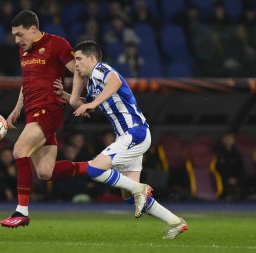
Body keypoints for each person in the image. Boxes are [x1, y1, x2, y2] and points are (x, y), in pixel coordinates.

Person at [55, 40, 188, 239]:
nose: (76, 64)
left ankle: (140, 189)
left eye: (79, 59)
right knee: (128, 197)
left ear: (92, 59)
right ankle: (175, 222)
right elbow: (80, 102)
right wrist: (65, 95)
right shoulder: (93, 82)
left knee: (95, 169)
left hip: (135, 133)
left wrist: (93, 105)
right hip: (131, 136)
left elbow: (115, 81)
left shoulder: (101, 69)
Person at [0, 10, 89, 228]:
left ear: (33, 29)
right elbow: (27, 82)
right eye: (14, 35)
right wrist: (16, 109)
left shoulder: (56, 44)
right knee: (45, 172)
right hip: (32, 110)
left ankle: (21, 211)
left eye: (19, 35)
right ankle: (96, 167)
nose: (16, 40)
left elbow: (79, 70)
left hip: (49, 109)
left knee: (20, 150)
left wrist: (74, 97)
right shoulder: (24, 51)